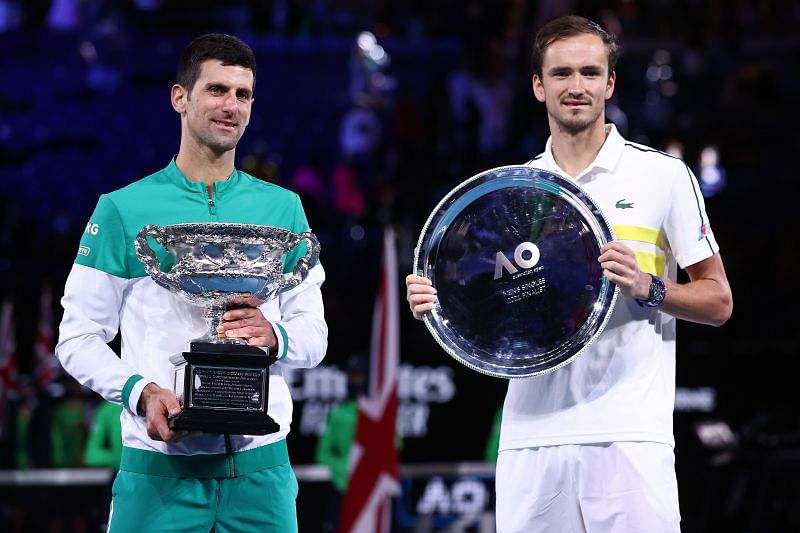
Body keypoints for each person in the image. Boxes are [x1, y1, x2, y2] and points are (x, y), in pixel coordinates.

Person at [406, 15, 732, 532]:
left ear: (610, 82)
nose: (575, 87)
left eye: (588, 72)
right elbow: (489, 303)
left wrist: (649, 287)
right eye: (561, 74)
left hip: (630, 434)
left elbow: (718, 302)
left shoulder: (662, 176)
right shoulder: (513, 194)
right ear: (538, 86)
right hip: (530, 435)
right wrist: (439, 298)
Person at [55, 33, 327, 532]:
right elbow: (76, 338)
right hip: (159, 475)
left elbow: (314, 335)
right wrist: (140, 392)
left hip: (262, 476)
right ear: (180, 97)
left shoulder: (284, 209)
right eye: (217, 90)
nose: (232, 106)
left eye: (243, 95)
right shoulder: (122, 209)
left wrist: (275, 335)